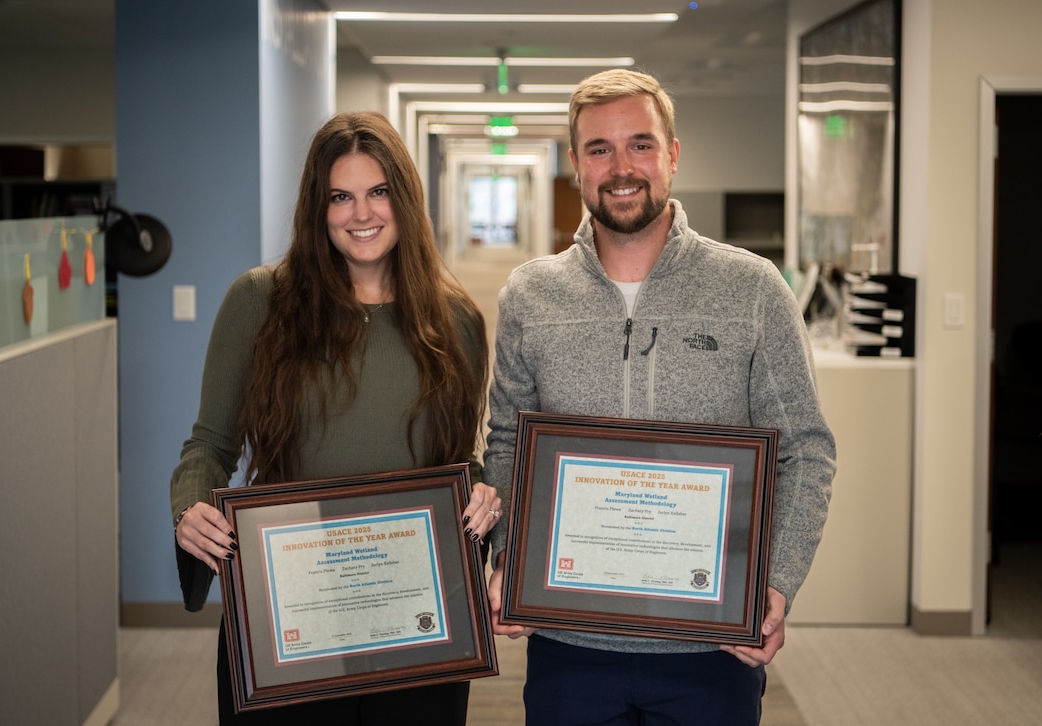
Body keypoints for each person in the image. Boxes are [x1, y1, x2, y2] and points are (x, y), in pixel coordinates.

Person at [483, 69, 836, 725]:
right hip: (569, 644)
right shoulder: (530, 297)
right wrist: (508, 557)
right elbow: (505, 443)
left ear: (672, 154)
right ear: (576, 165)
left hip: (709, 644)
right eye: (599, 149)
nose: (622, 168)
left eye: (640, 144)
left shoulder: (752, 291)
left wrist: (777, 583)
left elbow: (807, 452)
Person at [170, 111, 502, 726]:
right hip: (289, 612)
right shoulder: (259, 301)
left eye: (378, 192)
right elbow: (209, 445)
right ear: (316, 209)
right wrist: (190, 508)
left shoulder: (455, 321)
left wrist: (482, 496)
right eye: (340, 197)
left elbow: (461, 462)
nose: (362, 214)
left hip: (415, 616)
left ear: (404, 198)